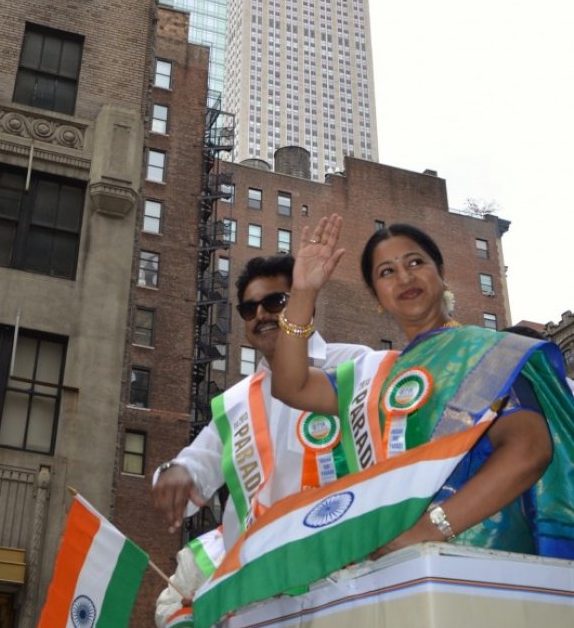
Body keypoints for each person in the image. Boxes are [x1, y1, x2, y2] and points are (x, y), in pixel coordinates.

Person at [269, 216, 574, 557]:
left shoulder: (487, 352)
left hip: (487, 566)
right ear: (377, 298)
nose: (404, 277)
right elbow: (290, 386)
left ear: (441, 274)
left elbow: (528, 450)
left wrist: (427, 530)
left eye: (415, 262)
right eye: (386, 272)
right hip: (403, 572)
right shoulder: (377, 376)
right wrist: (304, 291)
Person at [152, 253, 369, 549]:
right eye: (249, 309)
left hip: (343, 563)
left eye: (274, 302)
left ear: (307, 304)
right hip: (258, 577)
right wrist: (175, 472)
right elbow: (196, 464)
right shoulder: (234, 403)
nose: (261, 315)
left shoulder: (355, 364)